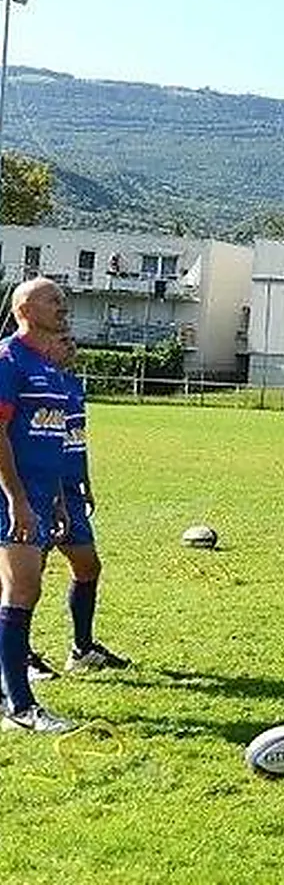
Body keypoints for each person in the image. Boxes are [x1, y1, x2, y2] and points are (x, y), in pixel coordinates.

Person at [0, 278, 76, 733]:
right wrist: (17, 499)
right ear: (25, 309)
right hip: (14, 497)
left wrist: (60, 499)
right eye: (53, 300)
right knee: (22, 590)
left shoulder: (46, 365)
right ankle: (22, 706)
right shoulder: (9, 359)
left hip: (45, 496)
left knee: (18, 591)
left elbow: (52, 440)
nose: (62, 306)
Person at [48, 334, 129, 672]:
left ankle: (82, 650)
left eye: (73, 340)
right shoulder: (34, 380)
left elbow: (75, 439)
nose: (72, 346)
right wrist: (53, 494)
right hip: (42, 490)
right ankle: (20, 657)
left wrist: (85, 482)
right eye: (64, 340)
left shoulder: (72, 384)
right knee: (24, 578)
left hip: (71, 490)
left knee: (88, 567)